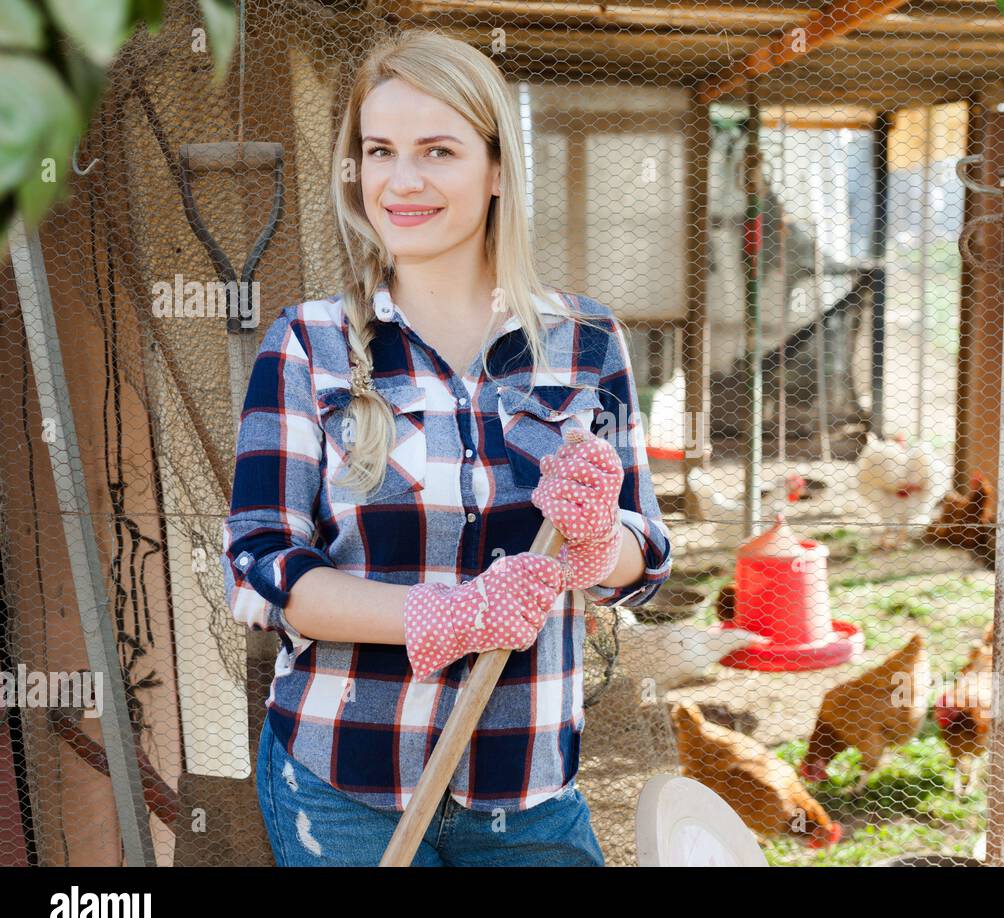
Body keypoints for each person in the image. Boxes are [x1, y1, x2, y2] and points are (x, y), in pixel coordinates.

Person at [221, 28, 672, 866]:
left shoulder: (584, 342)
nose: (403, 180)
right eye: (380, 150)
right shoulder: (307, 343)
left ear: (497, 169)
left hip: (529, 790)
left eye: (438, 150)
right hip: (347, 782)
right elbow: (261, 562)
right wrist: (445, 616)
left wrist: (592, 541)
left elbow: (644, 561)